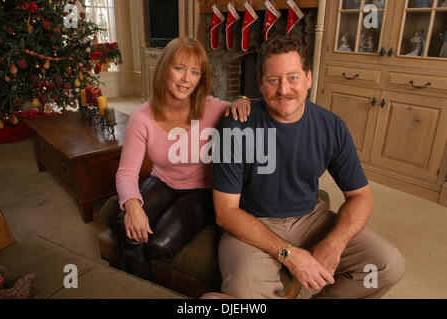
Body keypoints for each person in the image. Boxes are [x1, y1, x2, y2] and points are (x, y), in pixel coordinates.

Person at [212, 34, 405, 298]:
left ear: (308, 79)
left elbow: (361, 196)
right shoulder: (236, 126)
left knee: (386, 266)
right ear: (260, 83)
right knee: (245, 295)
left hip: (310, 218)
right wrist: (289, 255)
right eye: (273, 80)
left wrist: (334, 245)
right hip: (253, 225)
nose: (283, 89)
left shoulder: (332, 126)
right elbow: (226, 212)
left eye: (293, 77)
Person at [113, 37, 251, 280]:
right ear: (165, 68)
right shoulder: (142, 117)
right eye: (179, 68)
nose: (187, 79)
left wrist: (243, 100)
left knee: (158, 244)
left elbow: (259, 109)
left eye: (195, 72)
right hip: (162, 181)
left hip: (202, 191)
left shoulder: (212, 108)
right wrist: (133, 206)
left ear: (201, 78)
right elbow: (126, 173)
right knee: (127, 228)